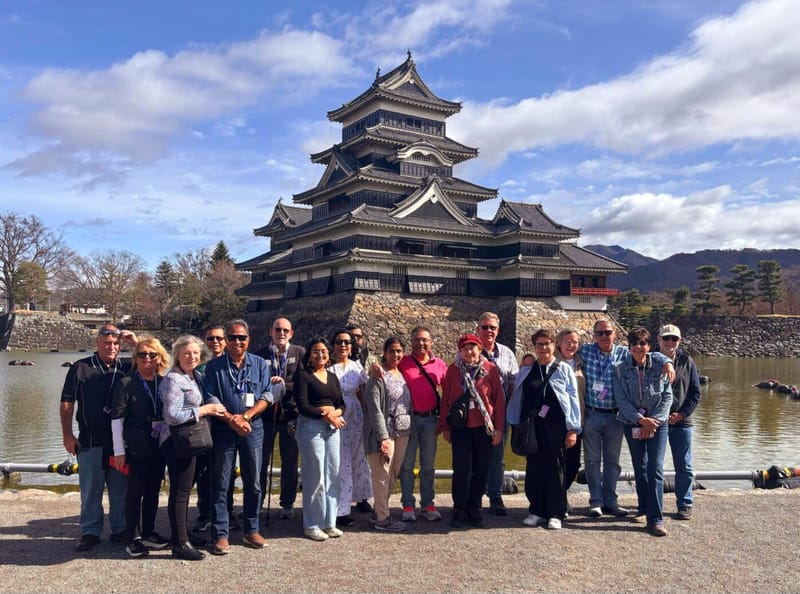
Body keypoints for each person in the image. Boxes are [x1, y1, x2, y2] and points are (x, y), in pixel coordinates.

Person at [578, 320, 673, 518]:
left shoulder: (624, 353)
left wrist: (667, 362)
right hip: (592, 414)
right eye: (600, 333)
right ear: (594, 335)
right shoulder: (585, 351)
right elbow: (563, 350)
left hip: (617, 416)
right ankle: (596, 501)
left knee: (613, 462)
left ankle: (611, 501)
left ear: (615, 334)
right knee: (592, 461)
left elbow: (649, 353)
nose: (604, 336)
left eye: (608, 332)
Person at [60, 324, 138, 552]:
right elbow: (67, 402)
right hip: (90, 439)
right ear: (97, 343)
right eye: (107, 343)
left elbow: (155, 358)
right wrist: (67, 434)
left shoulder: (126, 365)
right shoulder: (80, 368)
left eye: (116, 343)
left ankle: (120, 528)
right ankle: (90, 531)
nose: (111, 347)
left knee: (119, 487)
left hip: (119, 443)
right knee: (91, 488)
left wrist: (135, 343)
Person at [203, 319, 272, 554]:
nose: (236, 342)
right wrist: (232, 419)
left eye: (241, 337)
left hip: (253, 429)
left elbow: (267, 395)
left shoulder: (260, 364)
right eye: (231, 337)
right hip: (224, 429)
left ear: (248, 339)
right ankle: (220, 533)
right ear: (226, 340)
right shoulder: (214, 367)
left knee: (253, 481)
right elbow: (211, 398)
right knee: (221, 482)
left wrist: (247, 417)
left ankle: (251, 529)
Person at [159, 334, 228, 560]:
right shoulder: (173, 380)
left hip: (192, 441)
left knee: (186, 490)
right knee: (180, 493)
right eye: (186, 353)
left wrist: (218, 407)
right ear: (177, 355)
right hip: (177, 441)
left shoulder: (195, 376)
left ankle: (183, 533)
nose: (191, 357)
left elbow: (208, 397)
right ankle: (179, 543)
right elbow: (172, 416)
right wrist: (204, 411)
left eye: (195, 353)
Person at [508, 329, 581, 530]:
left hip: (556, 427)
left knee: (556, 468)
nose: (544, 348)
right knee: (534, 468)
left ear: (554, 344)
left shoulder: (563, 368)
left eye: (547, 343)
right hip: (533, 427)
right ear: (534, 347)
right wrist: (514, 422)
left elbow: (573, 398)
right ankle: (536, 510)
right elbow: (518, 398)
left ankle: (556, 512)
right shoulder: (527, 370)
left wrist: (573, 428)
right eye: (539, 344)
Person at [110, 336, 170, 558]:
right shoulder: (126, 383)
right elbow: (117, 419)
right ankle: (131, 537)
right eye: (142, 354)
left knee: (153, 491)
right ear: (135, 358)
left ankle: (149, 532)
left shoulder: (164, 382)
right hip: (135, 446)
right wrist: (119, 451)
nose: (147, 358)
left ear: (159, 358)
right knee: (134, 492)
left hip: (158, 445)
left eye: (151, 354)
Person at [439, 333, 505, 528]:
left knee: (481, 469)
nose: (469, 352)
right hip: (461, 428)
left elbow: (499, 401)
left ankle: (474, 507)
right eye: (465, 348)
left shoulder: (490, 370)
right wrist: (445, 426)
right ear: (460, 351)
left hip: (483, 427)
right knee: (460, 470)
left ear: (479, 349)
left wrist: (499, 428)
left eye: (473, 347)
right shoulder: (453, 370)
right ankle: (459, 508)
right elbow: (446, 400)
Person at [613, 327, 673, 536]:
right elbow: (621, 400)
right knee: (640, 467)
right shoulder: (619, 369)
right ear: (629, 347)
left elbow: (667, 397)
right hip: (632, 422)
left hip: (658, 423)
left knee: (655, 468)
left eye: (642, 344)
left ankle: (656, 519)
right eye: (635, 344)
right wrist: (640, 420)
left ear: (649, 346)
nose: (639, 348)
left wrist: (653, 421)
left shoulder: (659, 366)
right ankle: (643, 507)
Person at [293, 336, 347, 541]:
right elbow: (302, 405)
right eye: (316, 351)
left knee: (333, 473)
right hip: (312, 427)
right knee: (315, 474)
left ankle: (329, 522)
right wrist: (326, 415)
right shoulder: (303, 376)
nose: (320, 355)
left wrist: (337, 414)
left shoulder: (332, 377)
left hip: (333, 428)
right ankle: (312, 524)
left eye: (324, 351)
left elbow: (342, 403)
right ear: (310, 354)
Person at [190, 325, 237, 541]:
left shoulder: (232, 364)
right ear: (205, 340)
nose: (215, 342)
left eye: (219, 338)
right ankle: (205, 512)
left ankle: (227, 511)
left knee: (226, 471)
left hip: (228, 424)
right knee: (205, 471)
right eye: (211, 338)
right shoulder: (197, 366)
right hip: (204, 425)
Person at [397, 325, 448, 522]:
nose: (421, 343)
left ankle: (428, 503)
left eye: (425, 340)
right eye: (417, 339)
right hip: (408, 419)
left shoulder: (440, 364)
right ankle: (408, 504)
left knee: (428, 465)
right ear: (411, 342)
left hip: (430, 420)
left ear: (431, 342)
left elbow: (449, 392)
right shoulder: (403, 362)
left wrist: (445, 422)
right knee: (407, 465)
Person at [256, 318, 304, 521]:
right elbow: (254, 382)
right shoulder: (260, 355)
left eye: (285, 330)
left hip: (291, 414)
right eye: (278, 330)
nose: (281, 333)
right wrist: (269, 382)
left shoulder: (299, 353)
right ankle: (256, 503)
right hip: (265, 415)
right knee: (260, 460)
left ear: (291, 333)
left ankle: (287, 502)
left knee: (290, 460)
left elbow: (305, 381)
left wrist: (286, 383)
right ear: (271, 331)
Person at [363, 336, 411, 532]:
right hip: (384, 433)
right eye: (392, 351)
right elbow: (374, 408)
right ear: (384, 352)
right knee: (382, 475)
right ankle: (383, 519)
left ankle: (378, 510)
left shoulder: (402, 373)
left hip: (403, 431)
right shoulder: (377, 376)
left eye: (399, 351)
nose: (396, 355)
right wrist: (382, 436)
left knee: (392, 475)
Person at [657, 324, 702, 521]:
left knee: (684, 465)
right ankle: (652, 503)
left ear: (679, 341)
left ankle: (685, 503)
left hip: (682, 421)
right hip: (656, 421)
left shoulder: (687, 361)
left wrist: (682, 414)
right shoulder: (649, 359)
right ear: (658, 340)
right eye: (666, 338)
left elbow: (695, 393)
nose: (669, 342)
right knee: (654, 465)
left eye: (673, 339)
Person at [328, 328, 372, 527]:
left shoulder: (357, 367)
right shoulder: (329, 369)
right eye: (339, 342)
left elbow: (362, 392)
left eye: (347, 342)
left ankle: (361, 497)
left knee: (359, 459)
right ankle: (342, 509)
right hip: (338, 416)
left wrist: (368, 416)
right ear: (333, 345)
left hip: (356, 416)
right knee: (342, 462)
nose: (343, 345)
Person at [477, 312, 518, 516]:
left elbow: (513, 383)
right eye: (484, 327)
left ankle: (495, 495)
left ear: (498, 330)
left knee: (497, 457)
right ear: (478, 330)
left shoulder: (507, 354)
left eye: (492, 327)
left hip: (501, 412)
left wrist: (509, 409)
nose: (488, 331)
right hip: (476, 414)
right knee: (475, 455)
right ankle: (474, 497)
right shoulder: (469, 351)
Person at [555, 328, 586, 498]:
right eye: (567, 341)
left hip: (577, 421)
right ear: (558, 343)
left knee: (573, 463)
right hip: (555, 422)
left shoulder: (581, 363)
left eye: (575, 342)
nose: (571, 345)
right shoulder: (551, 362)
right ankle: (557, 499)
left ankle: (560, 494)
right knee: (556, 463)